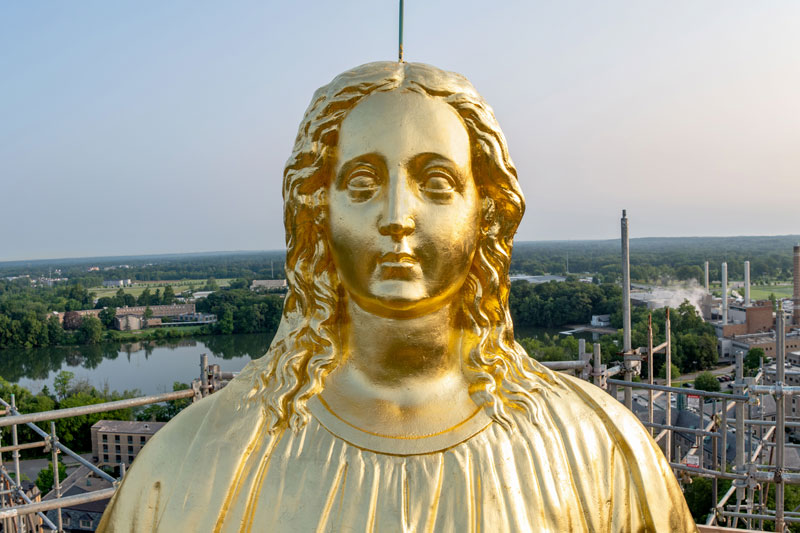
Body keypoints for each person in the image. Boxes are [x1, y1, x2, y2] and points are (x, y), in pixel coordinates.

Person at [98, 62, 696, 532]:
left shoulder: (598, 452)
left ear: (485, 213)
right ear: (317, 211)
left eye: (436, 183)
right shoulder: (191, 465)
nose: (397, 216)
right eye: (362, 183)